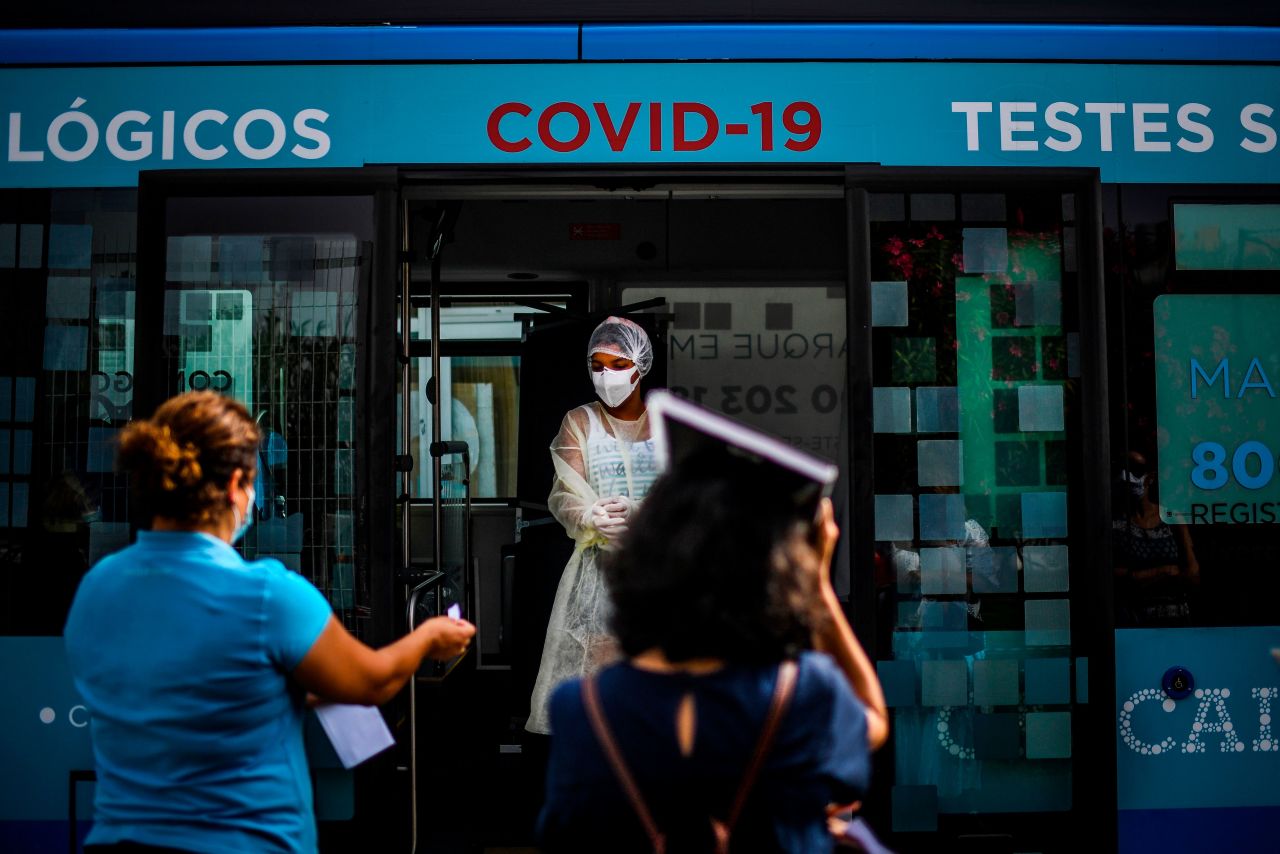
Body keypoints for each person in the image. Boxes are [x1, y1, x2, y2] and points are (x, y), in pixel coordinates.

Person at [63, 391, 475, 853]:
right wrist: (426, 638)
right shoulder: (266, 595)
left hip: (125, 840)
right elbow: (371, 682)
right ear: (238, 483)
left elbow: (173, 688)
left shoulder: (97, 588)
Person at [537, 457, 890, 852]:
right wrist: (818, 587)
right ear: (769, 570)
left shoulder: (580, 710)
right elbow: (871, 723)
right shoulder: (804, 692)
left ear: (642, 562)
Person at [526, 316, 659, 735]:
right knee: (602, 695)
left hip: (663, 573)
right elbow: (565, 492)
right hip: (597, 579)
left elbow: (692, 493)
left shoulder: (669, 422)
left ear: (640, 365)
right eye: (597, 365)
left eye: (617, 364)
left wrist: (643, 516)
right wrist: (588, 516)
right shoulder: (580, 422)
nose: (606, 376)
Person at [1112, 450, 1199, 625]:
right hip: (1134, 622)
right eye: (1122, 468)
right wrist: (1164, 572)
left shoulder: (1172, 518)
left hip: (1175, 620)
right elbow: (1113, 579)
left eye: (1135, 469)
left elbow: (1193, 575)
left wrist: (1138, 577)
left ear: (1150, 477)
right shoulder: (1113, 523)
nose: (1126, 475)